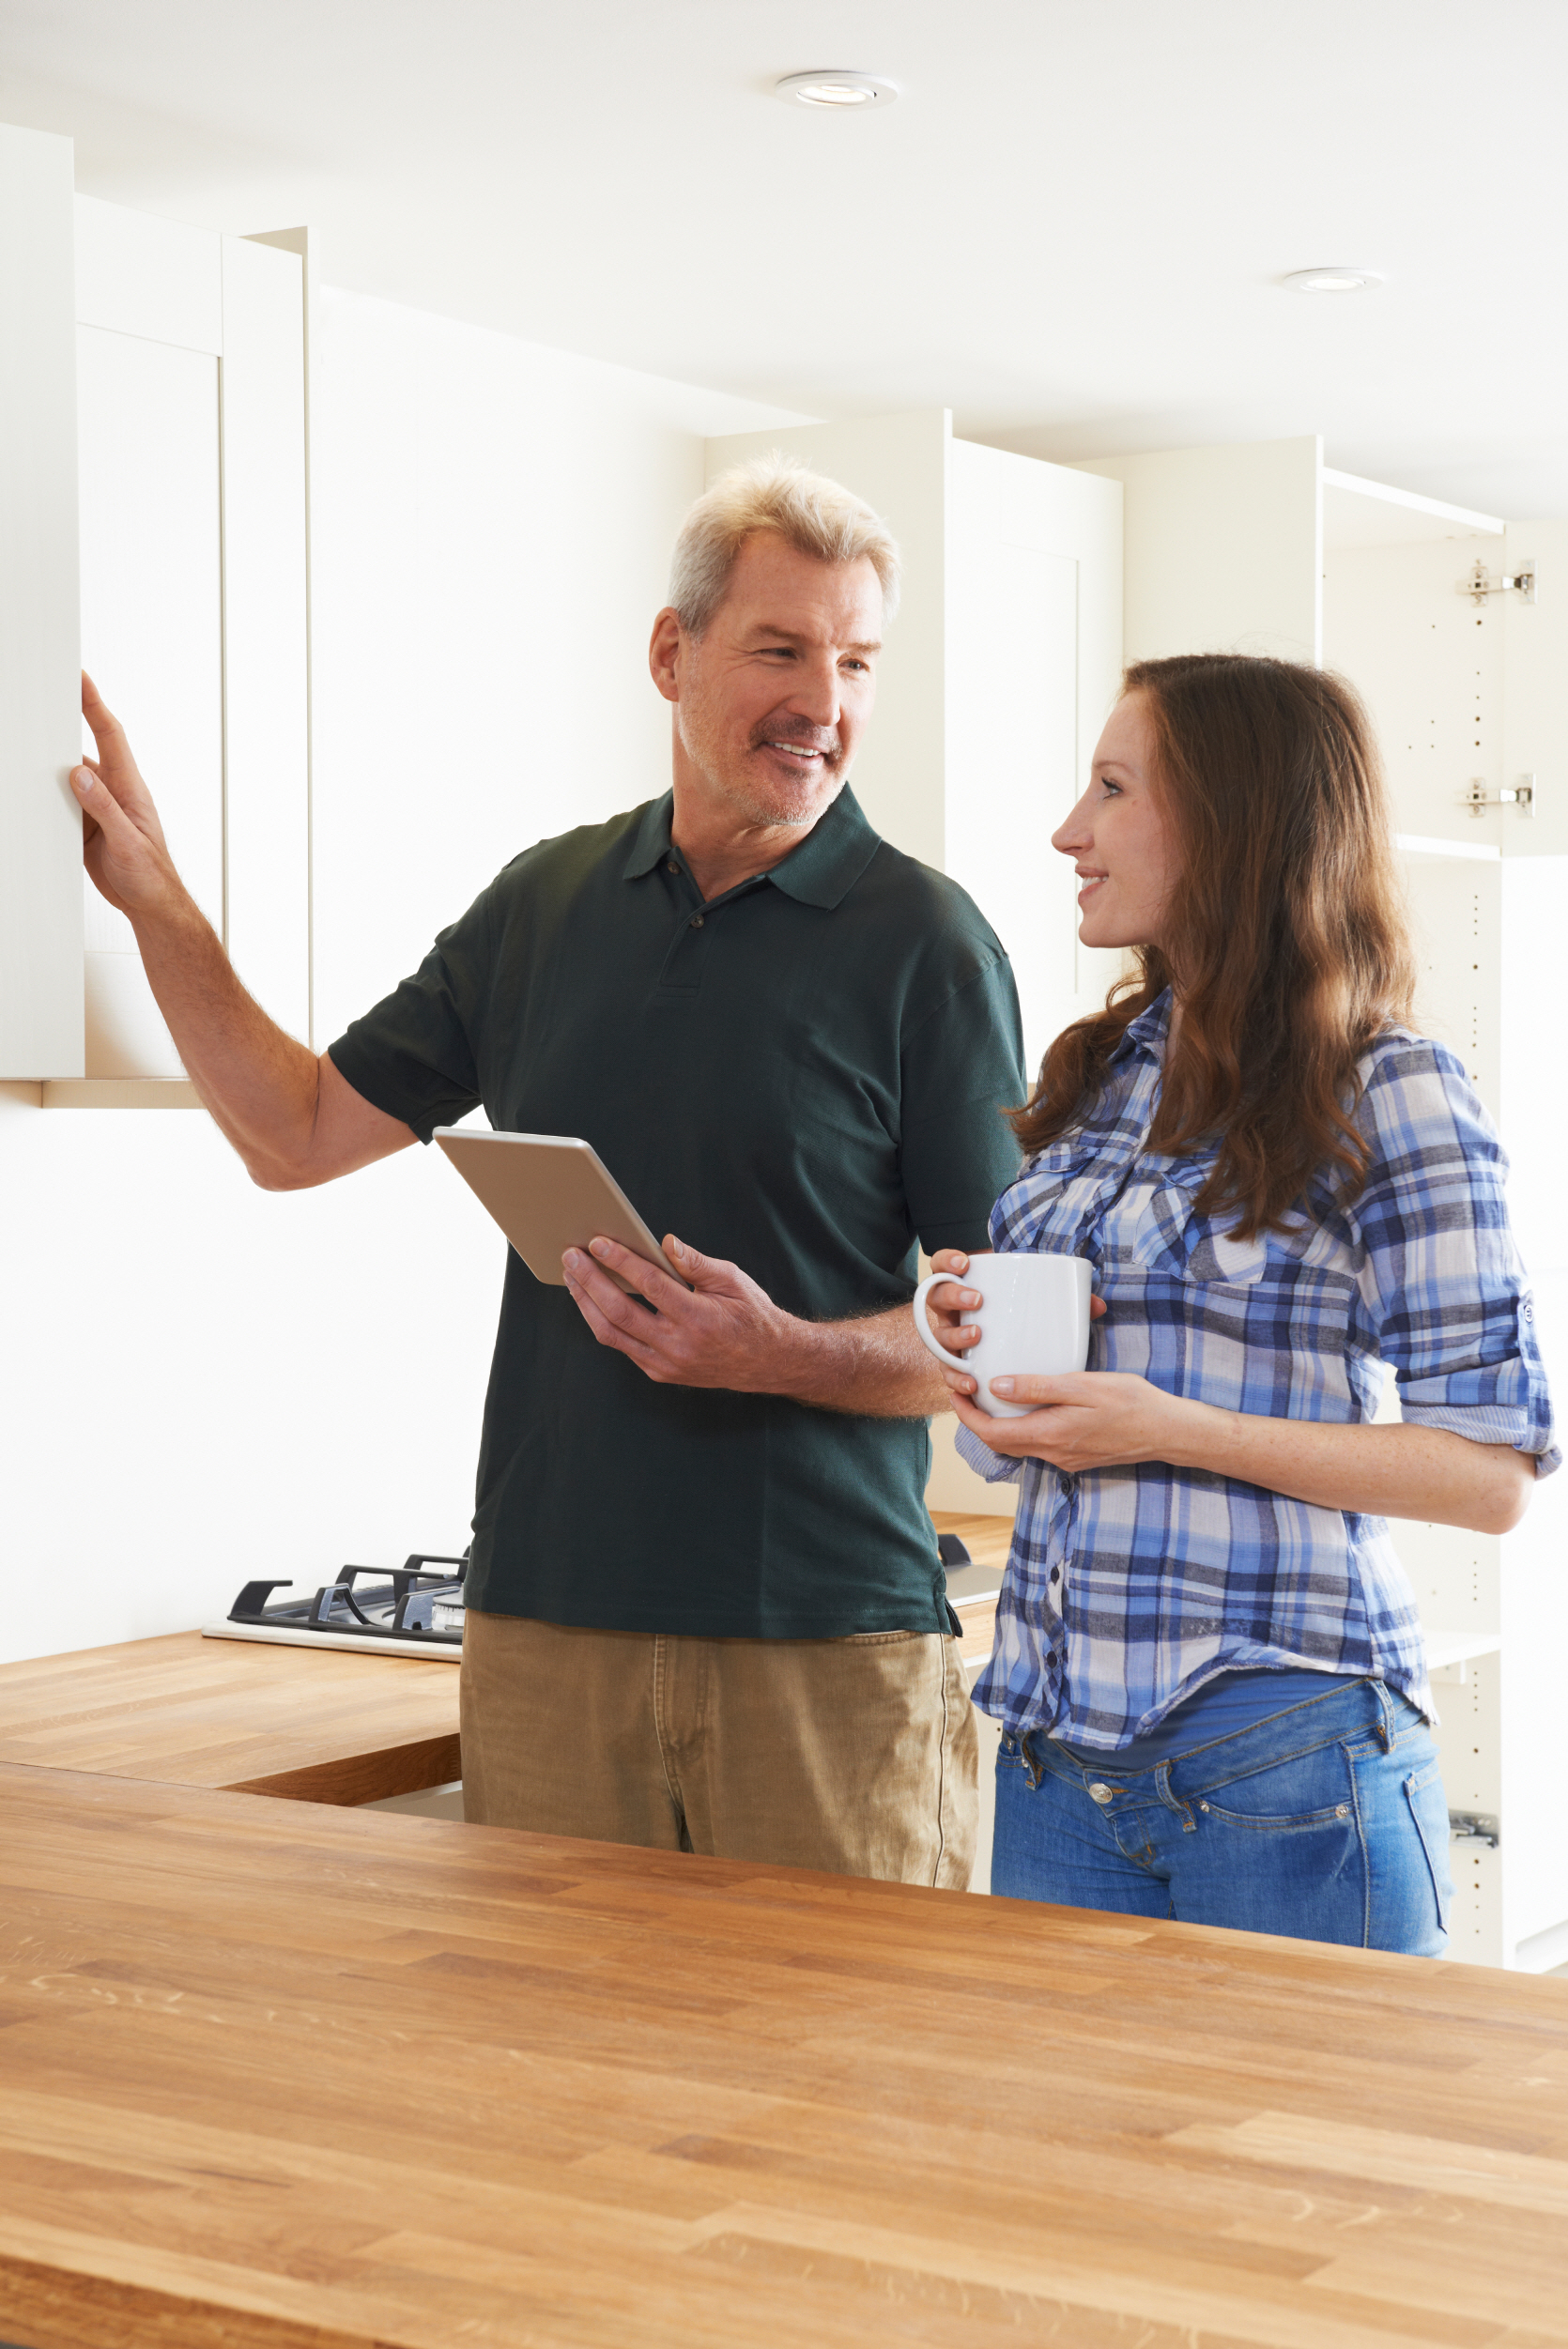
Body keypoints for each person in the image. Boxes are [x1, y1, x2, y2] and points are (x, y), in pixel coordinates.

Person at [73, 457, 1025, 1887]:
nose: (822, 703)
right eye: (780, 647)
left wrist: (776, 1353)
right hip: (544, 1630)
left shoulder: (927, 944)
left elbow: (994, 1336)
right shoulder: (544, 905)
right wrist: (158, 904)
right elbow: (295, 1134)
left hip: (822, 1643)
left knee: (847, 2097)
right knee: (546, 2092)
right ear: (671, 650)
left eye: (855, 661)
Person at [924, 652, 1556, 1952]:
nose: (1067, 830)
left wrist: (1171, 1424)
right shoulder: (1101, 1077)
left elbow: (1487, 1473)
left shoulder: (1388, 1088)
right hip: (1052, 1762)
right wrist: (976, 1349)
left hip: (1281, 1767)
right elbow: (1015, 1438)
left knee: (1315, 2162)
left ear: (1227, 822)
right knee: (1068, 2165)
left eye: (1109, 788)